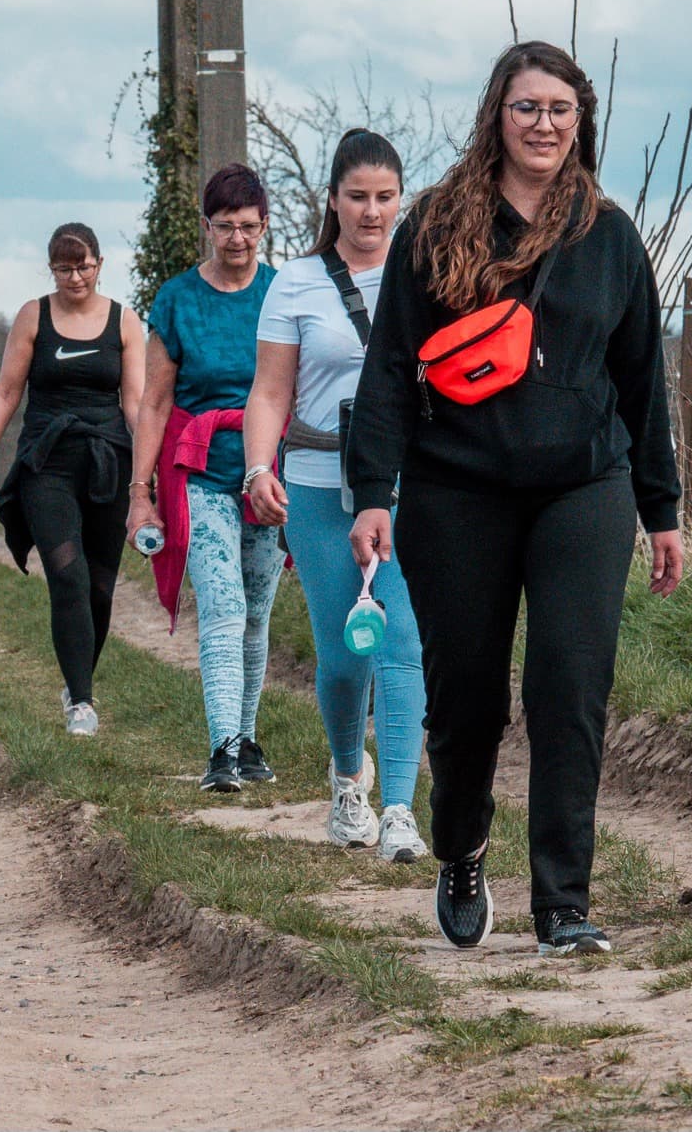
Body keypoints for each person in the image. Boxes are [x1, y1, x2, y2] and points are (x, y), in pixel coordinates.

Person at [347, 41, 686, 958]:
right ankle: (460, 849)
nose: (543, 125)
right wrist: (373, 491)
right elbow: (386, 370)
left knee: (569, 686)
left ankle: (561, 904)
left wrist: (662, 508)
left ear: (581, 124)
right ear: (497, 113)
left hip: (585, 486)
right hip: (456, 489)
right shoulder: (434, 226)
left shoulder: (608, 236)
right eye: (527, 107)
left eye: (560, 111)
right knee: (466, 702)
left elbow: (643, 380)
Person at [243, 129, 427, 864]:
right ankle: (350, 775)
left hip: (413, 484)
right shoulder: (296, 282)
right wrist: (260, 467)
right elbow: (269, 390)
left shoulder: (426, 275)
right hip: (321, 483)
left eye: (386, 197)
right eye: (358, 196)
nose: (372, 211)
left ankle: (403, 808)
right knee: (347, 649)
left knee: (402, 639)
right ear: (332, 199)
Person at [127, 164, 285, 793]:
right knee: (222, 604)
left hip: (267, 473)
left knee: (257, 609)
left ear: (264, 226)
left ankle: (246, 739)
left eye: (248, 228)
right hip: (198, 470)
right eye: (225, 228)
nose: (238, 240)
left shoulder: (283, 292)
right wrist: (141, 495)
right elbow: (154, 403)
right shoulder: (176, 300)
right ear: (206, 227)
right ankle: (221, 747)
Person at [0, 222, 146, 737]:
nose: (75, 277)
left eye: (83, 266)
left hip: (109, 461)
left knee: (102, 587)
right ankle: (82, 704)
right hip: (47, 464)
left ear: (100, 264)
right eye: (64, 268)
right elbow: (5, 394)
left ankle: (76, 681)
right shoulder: (34, 317)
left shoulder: (124, 322)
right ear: (51, 269)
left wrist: (146, 475)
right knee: (67, 575)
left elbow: (134, 404)